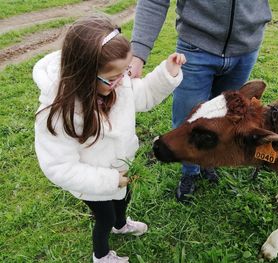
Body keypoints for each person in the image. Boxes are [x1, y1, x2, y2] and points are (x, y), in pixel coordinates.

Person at [33, 14, 185, 263]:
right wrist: (109, 180)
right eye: (113, 77)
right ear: (84, 73)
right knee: (104, 218)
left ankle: (121, 225)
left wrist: (166, 73)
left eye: (125, 71)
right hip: (94, 182)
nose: (122, 80)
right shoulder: (60, 113)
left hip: (121, 169)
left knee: (124, 199)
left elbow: (144, 95)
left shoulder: (118, 83)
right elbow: (58, 166)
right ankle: (101, 255)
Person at [130, 0, 272, 202]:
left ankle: (208, 162)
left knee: (224, 123)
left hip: (246, 50)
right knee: (187, 120)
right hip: (195, 49)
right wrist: (138, 54)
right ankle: (190, 172)